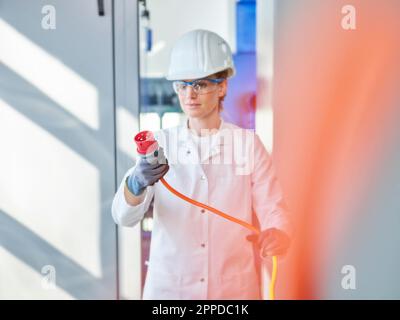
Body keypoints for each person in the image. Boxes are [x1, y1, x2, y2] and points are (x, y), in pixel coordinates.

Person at [111, 29, 292, 299]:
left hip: (233, 291)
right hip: (171, 291)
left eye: (200, 84)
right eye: (182, 85)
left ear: (222, 86)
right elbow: (123, 216)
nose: (189, 95)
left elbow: (272, 207)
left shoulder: (247, 144)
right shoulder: (159, 144)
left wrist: (278, 232)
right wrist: (136, 183)